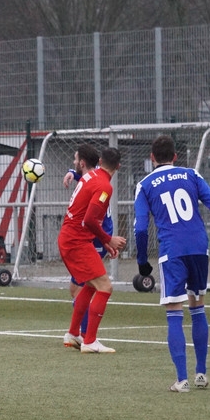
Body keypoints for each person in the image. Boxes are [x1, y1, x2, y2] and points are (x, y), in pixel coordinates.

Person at [133, 134, 210, 392]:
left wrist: (143, 261)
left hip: (173, 251)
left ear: (152, 158)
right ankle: (201, 373)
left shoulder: (145, 184)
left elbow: (140, 228)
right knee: (198, 306)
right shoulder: (191, 174)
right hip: (199, 248)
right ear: (176, 157)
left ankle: (182, 380)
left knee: (174, 310)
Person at [58, 144, 127, 354]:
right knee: (105, 287)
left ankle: (72, 333)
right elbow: (89, 220)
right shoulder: (105, 186)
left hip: (71, 238)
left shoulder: (91, 176)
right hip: (76, 241)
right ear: (119, 167)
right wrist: (109, 239)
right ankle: (90, 341)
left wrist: (104, 242)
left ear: (99, 162)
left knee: (90, 285)